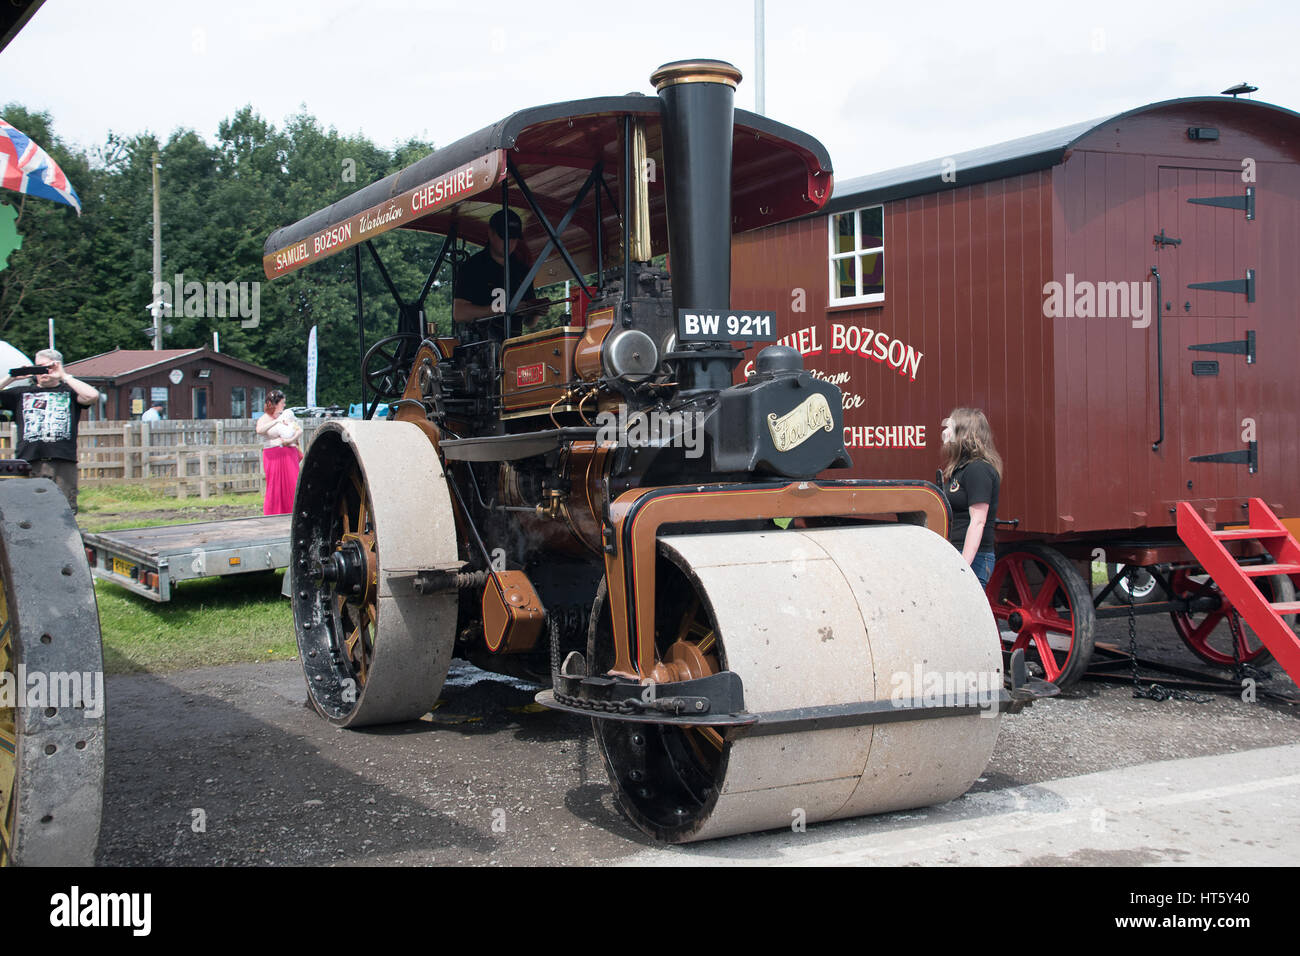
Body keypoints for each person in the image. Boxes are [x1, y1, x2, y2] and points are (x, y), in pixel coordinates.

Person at [0, 348, 100, 513]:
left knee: (64, 509)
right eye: (40, 367)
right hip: (29, 460)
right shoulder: (21, 393)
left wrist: (64, 376)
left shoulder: (70, 393)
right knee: (28, 509)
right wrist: (12, 376)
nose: (44, 372)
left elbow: (92, 396)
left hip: (63, 460)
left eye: (49, 367)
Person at [452, 208, 551, 336]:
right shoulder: (472, 267)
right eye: (504, 237)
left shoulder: (522, 270)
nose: (509, 242)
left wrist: (536, 310)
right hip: (478, 347)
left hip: (512, 347)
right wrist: (504, 309)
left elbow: (529, 323)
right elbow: (459, 313)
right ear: (491, 233)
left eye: (513, 238)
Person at [939, 407, 1002, 588]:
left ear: (965, 434)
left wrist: (963, 566)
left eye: (950, 427)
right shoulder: (960, 469)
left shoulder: (978, 470)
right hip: (956, 552)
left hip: (974, 559)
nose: (944, 432)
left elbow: (978, 522)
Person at [256, 390, 302, 516]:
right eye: (282, 403)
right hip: (273, 454)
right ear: (274, 404)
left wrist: (290, 440)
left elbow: (298, 430)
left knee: (293, 481)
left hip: (289, 451)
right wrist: (276, 421)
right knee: (275, 483)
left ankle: (293, 511)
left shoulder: (286, 416)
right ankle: (274, 512)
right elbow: (259, 430)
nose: (284, 405)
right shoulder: (265, 418)